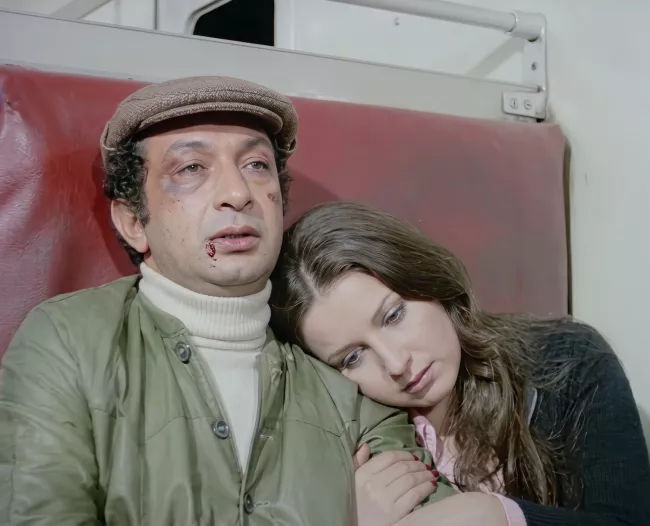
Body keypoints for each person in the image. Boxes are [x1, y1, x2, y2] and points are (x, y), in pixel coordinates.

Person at [0, 77, 455, 525]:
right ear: (134, 222)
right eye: (191, 169)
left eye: (256, 165)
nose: (238, 194)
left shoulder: (341, 370)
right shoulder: (68, 340)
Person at [270, 201, 650, 526]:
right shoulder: (352, 444)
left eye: (393, 315)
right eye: (353, 357)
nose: (396, 363)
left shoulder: (568, 359)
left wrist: (494, 515)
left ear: (427, 279)